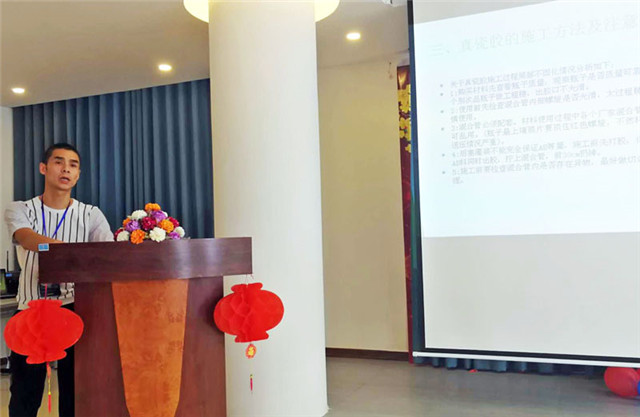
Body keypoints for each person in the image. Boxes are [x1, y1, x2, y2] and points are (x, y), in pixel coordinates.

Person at [3, 143, 113, 417]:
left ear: (78, 175)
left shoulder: (91, 214)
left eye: (73, 165)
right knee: (25, 392)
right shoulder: (20, 209)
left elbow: (107, 254)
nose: (66, 169)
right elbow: (26, 238)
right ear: (43, 168)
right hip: (31, 310)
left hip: (75, 309)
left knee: (75, 391)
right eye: (58, 162)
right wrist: (68, 251)